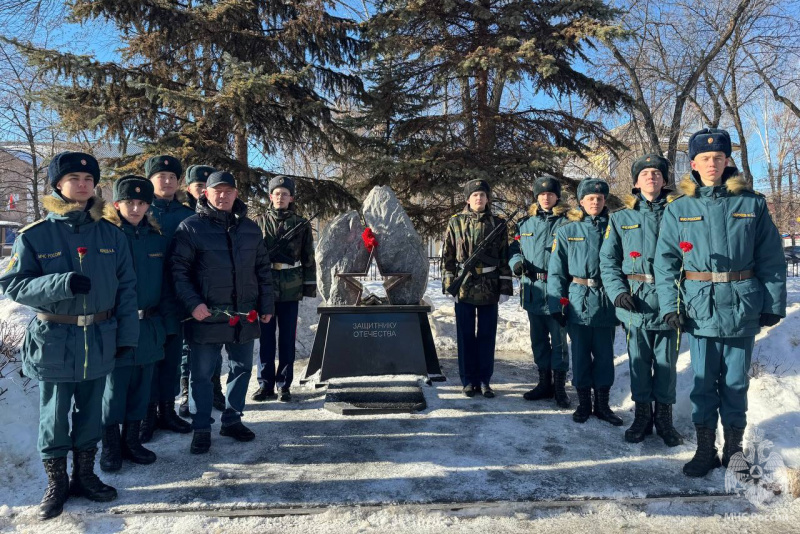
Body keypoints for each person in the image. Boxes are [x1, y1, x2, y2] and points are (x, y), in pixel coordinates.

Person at [0, 152, 138, 520]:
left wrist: (128, 336)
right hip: (55, 337)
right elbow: (13, 284)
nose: (82, 183)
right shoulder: (36, 235)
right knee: (56, 415)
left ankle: (85, 475)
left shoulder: (111, 234)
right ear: (58, 184)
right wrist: (59, 283)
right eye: (73, 177)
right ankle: (57, 482)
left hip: (100, 335)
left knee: (92, 410)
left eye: (88, 178)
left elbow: (127, 288)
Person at [655, 128, 786, 477]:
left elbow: (771, 258)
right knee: (702, 381)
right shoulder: (679, 208)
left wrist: (773, 303)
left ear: (728, 160)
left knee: (736, 382)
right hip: (698, 308)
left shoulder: (752, 204)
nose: (712, 163)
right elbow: (665, 261)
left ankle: (733, 450)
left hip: (743, 305)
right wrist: (670, 305)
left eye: (718, 157)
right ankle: (704, 449)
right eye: (704, 158)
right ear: (693, 164)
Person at [170, 171, 274, 454]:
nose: (223, 195)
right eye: (218, 190)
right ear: (206, 193)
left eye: (229, 190)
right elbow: (179, 271)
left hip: (244, 315)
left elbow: (263, 270)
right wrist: (193, 304)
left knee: (241, 369)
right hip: (206, 315)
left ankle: (232, 419)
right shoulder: (190, 227)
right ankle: (201, 426)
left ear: (236, 194)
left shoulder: (250, 229)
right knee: (202, 373)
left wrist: (266, 305)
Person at [600, 154, 682, 446]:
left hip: (671, 302)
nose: (651, 177)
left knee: (666, 364)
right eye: (645, 173)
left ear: (664, 180)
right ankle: (642, 417)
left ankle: (664, 420)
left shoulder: (681, 213)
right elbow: (608, 260)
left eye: (657, 173)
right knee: (638, 363)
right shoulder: (621, 218)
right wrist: (618, 292)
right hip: (637, 302)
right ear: (635, 183)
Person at [99, 176, 179, 472]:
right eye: (129, 203)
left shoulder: (157, 238)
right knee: (114, 389)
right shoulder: (105, 236)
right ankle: (109, 447)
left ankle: (132, 441)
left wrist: (168, 325)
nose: (135, 208)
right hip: (116, 325)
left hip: (149, 325)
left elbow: (166, 286)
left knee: (142, 387)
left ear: (148, 205)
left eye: (141, 203)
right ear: (116, 204)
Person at [548, 178, 622, 426]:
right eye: (590, 198)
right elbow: (557, 271)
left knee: (604, 354)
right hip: (578, 298)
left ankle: (602, 404)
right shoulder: (568, 231)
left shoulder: (615, 227)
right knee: (580, 354)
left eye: (600, 199)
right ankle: (583, 403)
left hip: (606, 300)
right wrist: (557, 304)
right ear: (581, 202)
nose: (595, 202)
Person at [441, 179, 513, 398]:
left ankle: (484, 380)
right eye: (475, 195)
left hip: (489, 286)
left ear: (488, 199)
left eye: (482, 195)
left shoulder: (498, 223)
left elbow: (503, 257)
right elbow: (448, 257)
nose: (479, 198)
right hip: (464, 286)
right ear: (467, 199)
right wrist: (449, 286)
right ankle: (467, 380)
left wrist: (504, 287)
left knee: (487, 335)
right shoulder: (456, 222)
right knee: (465, 335)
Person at [141, 154, 194, 441]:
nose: (167, 181)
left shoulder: (187, 216)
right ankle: (147, 414)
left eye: (173, 177)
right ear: (150, 180)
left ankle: (167, 410)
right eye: (161, 176)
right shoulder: (140, 211)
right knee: (150, 359)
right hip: (148, 299)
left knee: (173, 357)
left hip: (176, 298)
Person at [252, 175, 316, 402]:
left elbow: (309, 256)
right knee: (266, 337)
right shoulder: (258, 222)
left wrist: (308, 287)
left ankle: (284, 385)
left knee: (287, 338)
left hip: (291, 285)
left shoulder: (301, 224)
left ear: (291, 198)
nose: (280, 197)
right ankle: (265, 384)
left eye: (285, 194)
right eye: (276, 193)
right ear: (270, 197)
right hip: (265, 286)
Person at [509, 176, 571, 408]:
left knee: (559, 342)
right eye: (542, 194)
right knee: (538, 340)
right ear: (536, 197)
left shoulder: (567, 223)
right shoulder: (525, 224)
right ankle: (544, 383)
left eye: (551, 194)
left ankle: (559, 387)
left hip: (557, 290)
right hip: (533, 290)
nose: (546, 198)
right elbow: (515, 249)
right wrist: (516, 263)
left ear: (557, 197)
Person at [177, 164, 226, 418]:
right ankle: (186, 392)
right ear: (190, 189)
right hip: (186, 292)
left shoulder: (218, 218)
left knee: (213, 347)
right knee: (188, 349)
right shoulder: (183, 217)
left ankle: (215, 387)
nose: (204, 192)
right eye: (199, 187)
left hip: (211, 295)